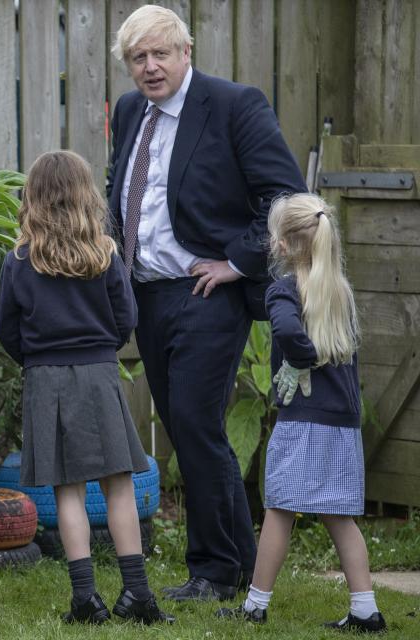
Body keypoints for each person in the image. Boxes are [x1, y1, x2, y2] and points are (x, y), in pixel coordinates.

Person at [106, 4, 307, 601]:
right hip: (147, 295)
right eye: (138, 58)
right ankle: (239, 564)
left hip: (208, 293)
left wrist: (236, 261)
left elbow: (286, 195)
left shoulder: (232, 105)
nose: (150, 67)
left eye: (160, 53)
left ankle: (214, 571)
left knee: (195, 423)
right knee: (184, 427)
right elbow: (126, 192)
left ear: (185, 52)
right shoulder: (127, 111)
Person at [0, 150, 174, 625]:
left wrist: (37, 360)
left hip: (45, 379)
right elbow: (125, 321)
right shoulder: (105, 254)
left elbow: (7, 330)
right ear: (85, 195)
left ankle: (85, 601)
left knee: (68, 491)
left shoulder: (18, 261)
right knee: (118, 484)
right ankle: (137, 594)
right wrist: (98, 350)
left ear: (32, 197)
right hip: (98, 374)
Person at [218, 194, 385, 632]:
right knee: (338, 516)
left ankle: (255, 605)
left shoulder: (284, 289)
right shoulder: (340, 292)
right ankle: (366, 609)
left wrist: (300, 358)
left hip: (303, 422)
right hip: (341, 423)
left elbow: (290, 332)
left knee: (278, 508)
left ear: (284, 245)